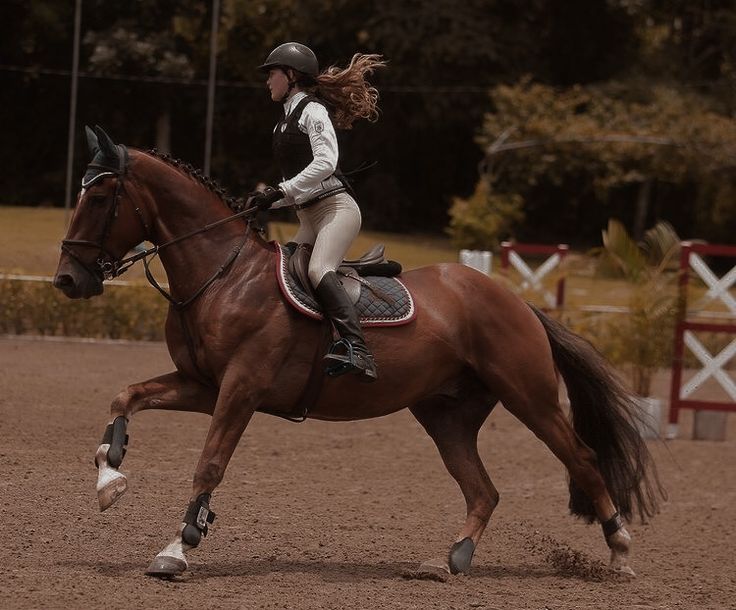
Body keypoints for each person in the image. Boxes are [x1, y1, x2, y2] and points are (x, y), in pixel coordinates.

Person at [251, 42, 386, 382]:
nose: (268, 81)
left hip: (336, 210)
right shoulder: (281, 124)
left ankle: (359, 349)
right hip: (309, 216)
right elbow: (297, 185)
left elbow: (326, 163)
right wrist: (267, 201)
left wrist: (280, 191)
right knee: (280, 267)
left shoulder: (313, 111)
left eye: (272, 74)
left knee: (318, 270)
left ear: (291, 76)